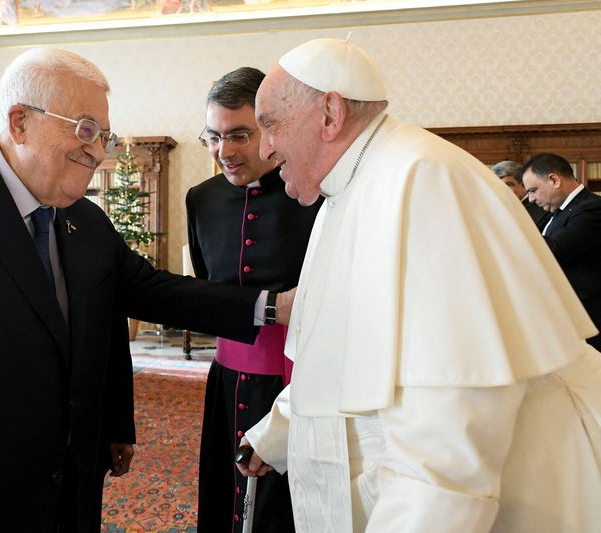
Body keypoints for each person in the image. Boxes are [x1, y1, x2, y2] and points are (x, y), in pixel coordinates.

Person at [0, 47, 285, 533]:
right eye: (84, 129)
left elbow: (156, 291)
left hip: (62, 503)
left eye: (104, 135)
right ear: (19, 122)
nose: (99, 151)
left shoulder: (83, 220)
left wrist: (274, 306)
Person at [236, 38, 601, 532]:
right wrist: (279, 431)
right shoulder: (349, 190)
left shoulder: (423, 182)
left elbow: (449, 438)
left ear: (329, 114)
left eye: (270, 125)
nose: (263, 149)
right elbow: (341, 352)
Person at [187, 67, 320, 533]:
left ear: (270, 127)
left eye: (239, 134)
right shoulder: (199, 199)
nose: (224, 152)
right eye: (213, 137)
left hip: (298, 381)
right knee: (225, 495)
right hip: (226, 380)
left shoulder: (313, 195)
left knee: (283, 508)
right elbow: (207, 287)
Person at [521, 152, 601, 350]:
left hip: (590, 319)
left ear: (554, 180)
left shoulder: (592, 208)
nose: (530, 199)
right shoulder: (555, 213)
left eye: (533, 190)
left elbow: (552, 251)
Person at [491, 159, 549, 228]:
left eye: (508, 184)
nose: (502, 189)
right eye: (497, 185)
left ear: (523, 186)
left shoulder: (541, 209)